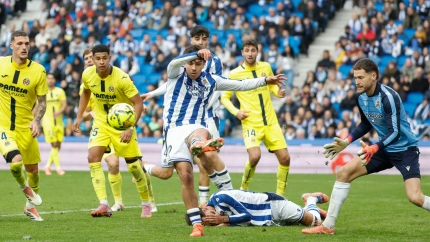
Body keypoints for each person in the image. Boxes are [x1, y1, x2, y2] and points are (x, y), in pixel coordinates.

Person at [156, 44, 286, 237]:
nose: (193, 67)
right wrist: (195, 53)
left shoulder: (211, 80)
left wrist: (266, 80)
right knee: (185, 175)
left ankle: (198, 145)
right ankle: (197, 224)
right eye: (190, 63)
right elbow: (175, 61)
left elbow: (241, 85)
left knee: (200, 134)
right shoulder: (175, 73)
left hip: (196, 125)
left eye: (198, 64)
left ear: (203, 65)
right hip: (174, 129)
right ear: (185, 63)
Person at [303, 58, 430, 234]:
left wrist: (374, 147)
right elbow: (365, 124)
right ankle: (327, 227)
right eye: (355, 77)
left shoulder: (388, 97)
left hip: (404, 149)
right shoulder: (361, 97)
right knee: (343, 172)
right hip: (382, 148)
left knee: (415, 197)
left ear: (373, 76)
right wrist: (346, 141)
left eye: (361, 77)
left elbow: (395, 132)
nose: (357, 82)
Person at [141, 25, 222, 206]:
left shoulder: (215, 62)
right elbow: (172, 84)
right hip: (178, 122)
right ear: (191, 40)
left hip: (206, 116)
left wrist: (202, 104)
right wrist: (152, 93)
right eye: (197, 39)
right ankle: (143, 167)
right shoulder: (182, 60)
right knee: (166, 173)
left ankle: (204, 204)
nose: (201, 43)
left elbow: (218, 85)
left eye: (204, 39)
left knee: (206, 158)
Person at [72, 44, 151, 218]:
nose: (101, 62)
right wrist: (79, 117)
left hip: (123, 126)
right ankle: (104, 203)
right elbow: (85, 93)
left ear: (110, 57)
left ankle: (146, 203)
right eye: (97, 58)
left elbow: (138, 103)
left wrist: (131, 127)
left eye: (104, 58)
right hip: (101, 123)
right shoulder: (87, 74)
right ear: (92, 58)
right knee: (93, 157)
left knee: (134, 167)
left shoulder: (122, 78)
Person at [221, 39, 291, 196]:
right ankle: (243, 190)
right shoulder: (234, 74)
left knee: (285, 158)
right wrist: (236, 112)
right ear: (242, 53)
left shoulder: (266, 67)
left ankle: (280, 196)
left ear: (257, 52)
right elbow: (224, 98)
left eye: (253, 50)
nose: (250, 53)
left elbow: (272, 84)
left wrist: (277, 93)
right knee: (254, 157)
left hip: (271, 122)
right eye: (247, 50)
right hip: (251, 123)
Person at [0, 31, 47, 221]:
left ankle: (29, 208)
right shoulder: (1, 64)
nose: (24, 47)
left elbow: (42, 102)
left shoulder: (38, 70)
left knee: (33, 171)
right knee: (16, 161)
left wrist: (36, 121)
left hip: (25, 128)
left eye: (27, 43)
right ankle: (26, 190)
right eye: (19, 43)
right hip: (3, 126)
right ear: (11, 46)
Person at [189, 190, 328, 227]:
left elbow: (247, 216)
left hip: (273, 205)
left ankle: (311, 199)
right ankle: (309, 208)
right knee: (305, 219)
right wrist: (223, 222)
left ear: (205, 208)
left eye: (209, 218)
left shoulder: (221, 197)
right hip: (267, 219)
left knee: (313, 222)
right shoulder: (215, 208)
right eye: (208, 223)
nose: (212, 220)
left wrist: (222, 219)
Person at [42, 73, 66, 176]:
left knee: (58, 145)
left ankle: (47, 166)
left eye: (52, 78)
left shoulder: (60, 91)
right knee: (54, 144)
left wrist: (59, 112)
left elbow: (64, 105)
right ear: (46, 80)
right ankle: (58, 168)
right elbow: (39, 106)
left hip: (59, 122)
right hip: (48, 123)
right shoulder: (42, 92)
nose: (50, 80)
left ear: (54, 80)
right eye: (48, 78)